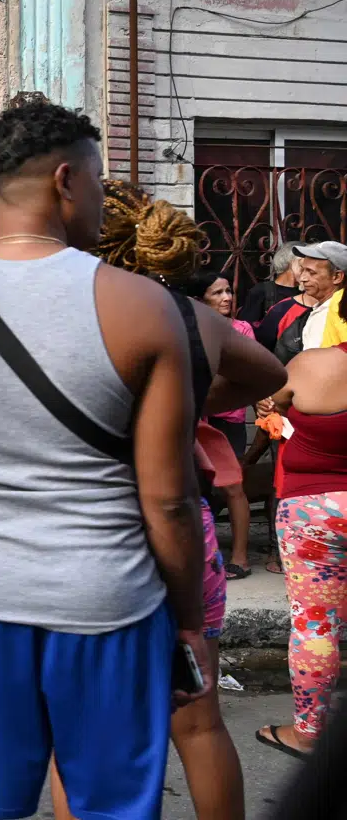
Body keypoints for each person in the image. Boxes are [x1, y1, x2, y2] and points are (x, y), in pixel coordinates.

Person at [0, 99, 210, 820]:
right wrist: (187, 623)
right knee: (104, 806)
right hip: (109, 602)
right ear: (65, 182)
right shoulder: (144, 307)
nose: (102, 196)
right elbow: (169, 499)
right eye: (97, 178)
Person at [80, 182, 287, 820]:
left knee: (94, 733)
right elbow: (272, 375)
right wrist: (195, 396)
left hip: (99, 535)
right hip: (187, 534)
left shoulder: (75, 312)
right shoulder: (190, 317)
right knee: (199, 724)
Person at [254, 340, 347, 760]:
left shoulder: (314, 364)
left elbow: (268, 404)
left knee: (315, 625)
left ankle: (308, 734)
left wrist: (270, 411)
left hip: (315, 510)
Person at [187, 269, 257, 579]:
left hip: (227, 419)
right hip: (197, 417)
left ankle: (240, 558)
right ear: (200, 299)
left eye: (228, 291)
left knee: (233, 487)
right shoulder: (190, 329)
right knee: (195, 487)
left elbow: (242, 374)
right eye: (218, 293)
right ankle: (202, 556)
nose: (227, 298)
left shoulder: (240, 330)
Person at [257, 243, 346, 362]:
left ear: (337, 277)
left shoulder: (340, 309)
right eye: (303, 270)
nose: (303, 278)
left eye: (311, 272)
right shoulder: (320, 308)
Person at [240, 241, 304, 325]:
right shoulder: (262, 291)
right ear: (292, 263)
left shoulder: (308, 292)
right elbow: (247, 329)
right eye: (304, 264)